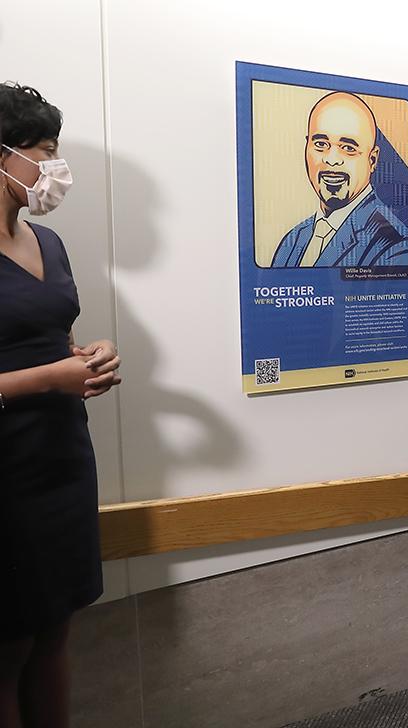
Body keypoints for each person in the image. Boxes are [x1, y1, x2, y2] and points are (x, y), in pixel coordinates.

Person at [0, 82, 123, 728]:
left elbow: (49, 338)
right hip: (9, 473)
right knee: (8, 645)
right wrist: (52, 377)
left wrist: (86, 354)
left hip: (63, 461)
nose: (54, 170)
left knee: (56, 632)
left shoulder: (48, 245)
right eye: (42, 152)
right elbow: (38, 365)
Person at [270, 91, 408, 269]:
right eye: (321, 144)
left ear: (372, 160)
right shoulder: (292, 240)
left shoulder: (394, 245)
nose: (332, 159)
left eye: (348, 147)